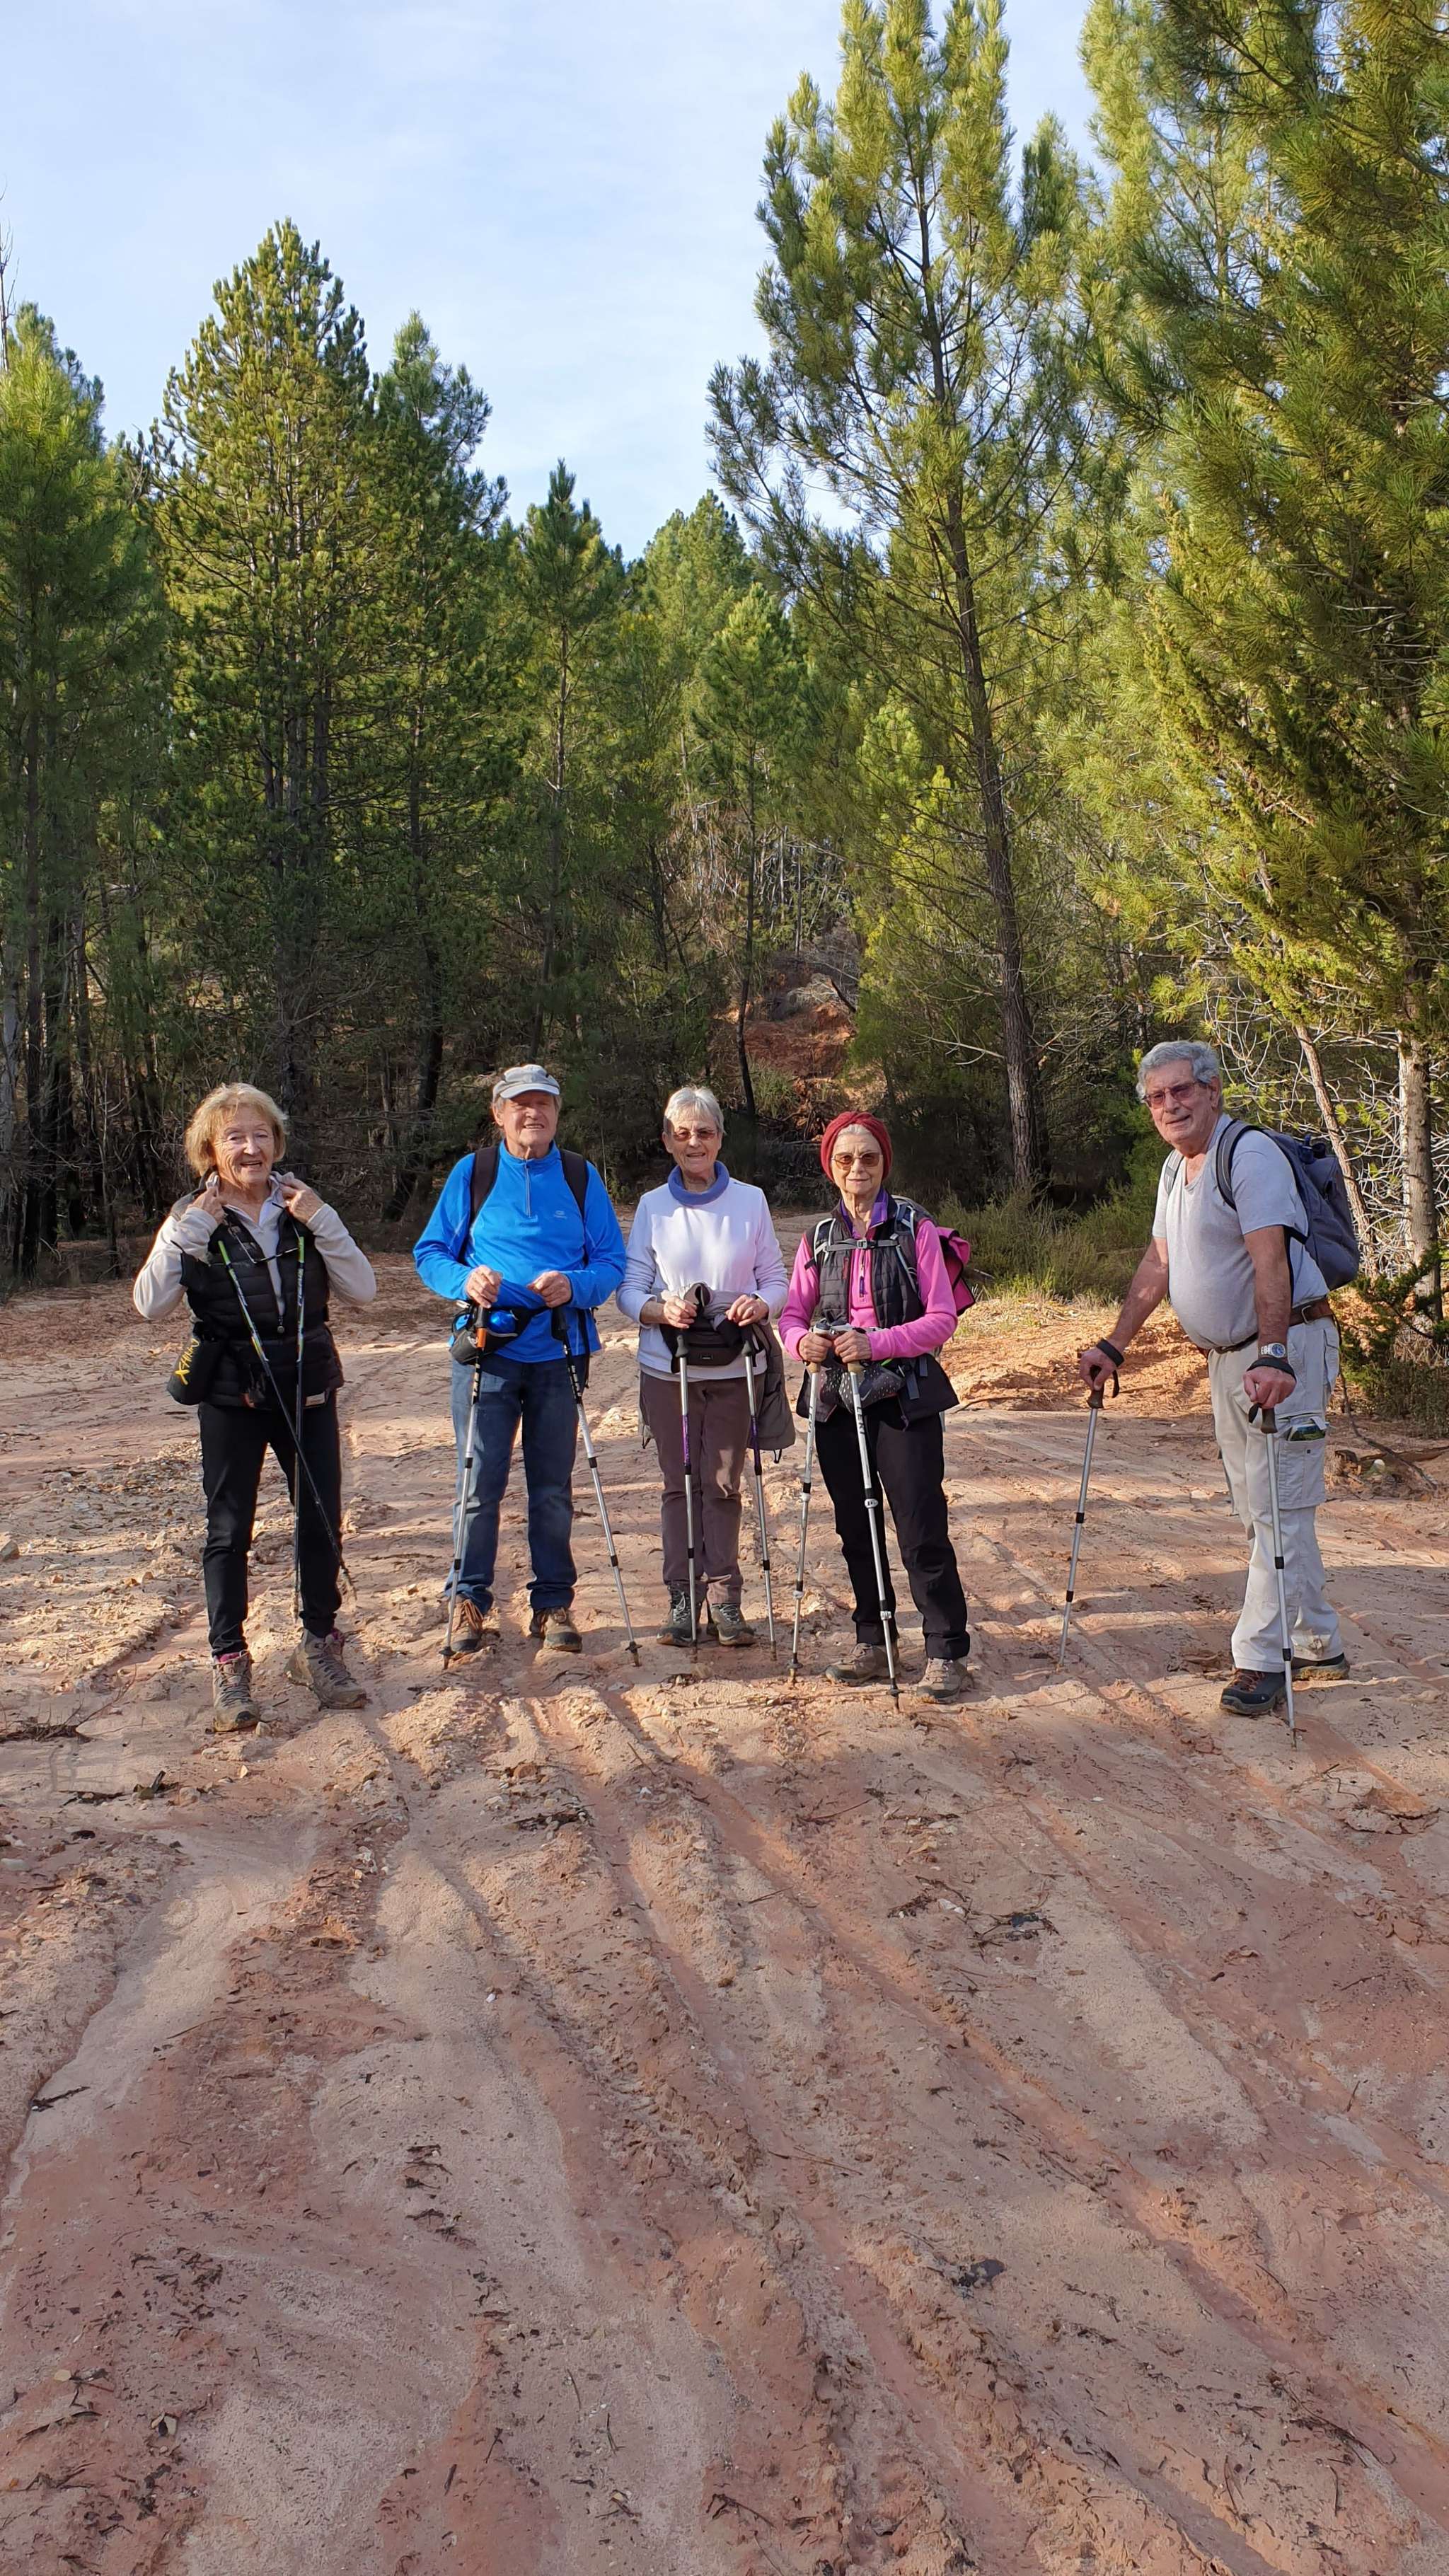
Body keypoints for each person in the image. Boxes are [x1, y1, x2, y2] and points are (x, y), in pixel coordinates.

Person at [1076, 1039, 1346, 1716]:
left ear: (1212, 1090)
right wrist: (1115, 1343)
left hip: (1283, 1350)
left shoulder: (1247, 1156)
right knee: (1264, 1510)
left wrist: (1275, 1354)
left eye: (1181, 1090)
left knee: (1278, 1506)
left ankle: (1261, 1659)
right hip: (1230, 1358)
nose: (1170, 1105)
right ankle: (1317, 1641)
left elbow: (1270, 1262)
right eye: (1157, 1097)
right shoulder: (1176, 1169)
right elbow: (1158, 1264)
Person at [133, 1083, 376, 1731]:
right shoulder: (192, 1215)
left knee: (320, 1516)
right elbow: (149, 1303)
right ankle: (229, 1662)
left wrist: (323, 1219)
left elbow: (363, 1288)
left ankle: (319, 1647)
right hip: (230, 1392)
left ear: (278, 1143)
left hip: (307, 1384)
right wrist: (193, 1230)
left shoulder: (303, 1207)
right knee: (228, 1529)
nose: (250, 1148)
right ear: (210, 1150)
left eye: (261, 1134)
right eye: (235, 1137)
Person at [412, 1063, 626, 1656]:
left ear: (557, 1112)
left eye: (544, 1103)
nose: (533, 1113)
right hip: (488, 1352)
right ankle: (468, 1600)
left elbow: (611, 1261)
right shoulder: (474, 1172)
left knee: (552, 1488)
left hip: (560, 1351)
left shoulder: (580, 1175)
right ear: (499, 1113)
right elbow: (431, 1252)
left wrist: (574, 1285)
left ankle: (553, 1602)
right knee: (478, 1482)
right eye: (520, 1104)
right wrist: (465, 1279)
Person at [780, 1113, 971, 1702]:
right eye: (845, 1159)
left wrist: (877, 1342)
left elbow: (941, 1318)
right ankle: (873, 1638)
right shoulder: (818, 1238)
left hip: (904, 1395)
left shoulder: (915, 1227)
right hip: (836, 1398)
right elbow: (792, 1315)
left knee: (920, 1523)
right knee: (855, 1526)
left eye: (869, 1157)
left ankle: (945, 1650)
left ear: (885, 1162)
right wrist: (802, 1344)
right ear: (830, 1167)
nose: (857, 1169)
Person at [618, 1085, 790, 1646]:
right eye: (683, 1133)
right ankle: (681, 1597)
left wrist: (760, 1304)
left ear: (720, 1138)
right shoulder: (652, 1207)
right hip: (668, 1368)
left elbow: (776, 1279)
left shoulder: (751, 1201)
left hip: (736, 1368)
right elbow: (629, 1290)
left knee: (723, 1485)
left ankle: (725, 1599)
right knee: (679, 1485)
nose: (695, 1142)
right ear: (667, 1140)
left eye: (705, 1132)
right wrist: (658, 1309)